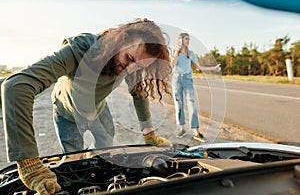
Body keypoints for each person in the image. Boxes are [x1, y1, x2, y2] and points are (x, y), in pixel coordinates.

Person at [1, 18, 173, 195]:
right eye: (129, 59)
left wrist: (149, 134)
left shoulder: (131, 64)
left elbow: (139, 92)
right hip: (68, 114)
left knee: (107, 154)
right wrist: (28, 162)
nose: (128, 70)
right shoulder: (81, 50)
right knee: (74, 165)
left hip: (98, 111)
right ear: (121, 40)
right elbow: (16, 86)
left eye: (137, 67)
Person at [171, 33, 221, 142]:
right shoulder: (174, 52)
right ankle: (182, 128)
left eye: (189, 39)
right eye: (186, 39)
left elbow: (200, 67)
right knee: (179, 105)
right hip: (176, 80)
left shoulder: (191, 54)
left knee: (192, 105)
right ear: (180, 40)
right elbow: (173, 64)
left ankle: (196, 132)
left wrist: (214, 68)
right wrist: (177, 52)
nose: (188, 41)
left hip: (187, 80)